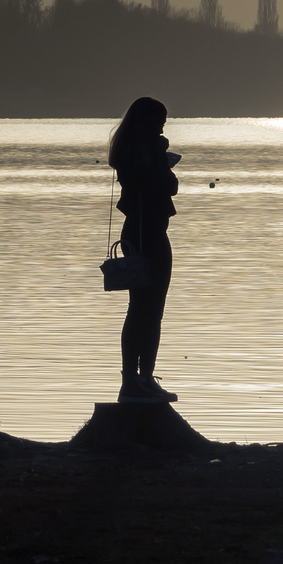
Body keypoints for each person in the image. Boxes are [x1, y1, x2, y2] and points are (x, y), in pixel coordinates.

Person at [109, 96, 181, 404]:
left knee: (150, 310)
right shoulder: (137, 153)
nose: (162, 129)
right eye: (159, 123)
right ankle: (134, 381)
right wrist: (159, 155)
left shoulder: (133, 151)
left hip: (148, 231)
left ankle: (144, 378)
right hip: (145, 233)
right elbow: (167, 185)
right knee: (143, 309)